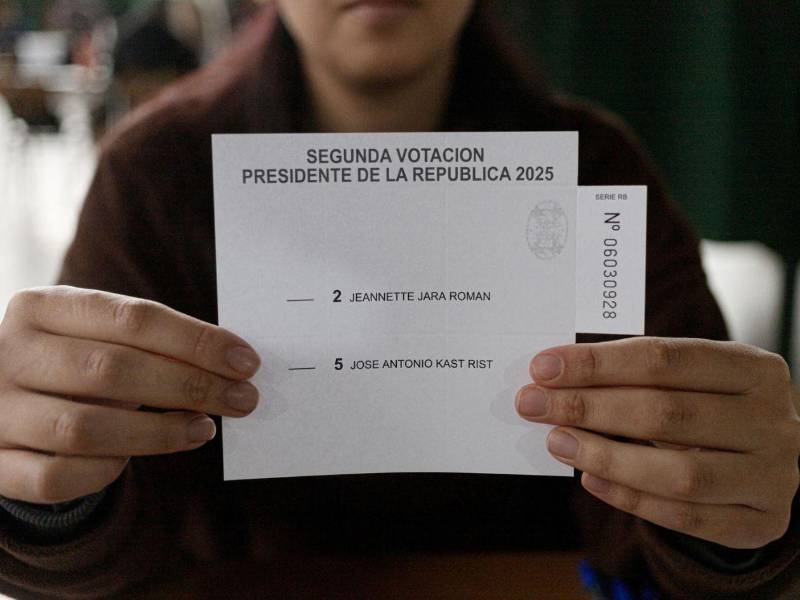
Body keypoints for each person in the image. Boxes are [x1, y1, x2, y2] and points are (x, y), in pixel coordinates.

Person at [0, 2, 797, 598]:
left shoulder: (597, 170)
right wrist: (49, 494)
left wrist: (734, 521)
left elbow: (670, 539)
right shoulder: (154, 178)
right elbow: (110, 549)